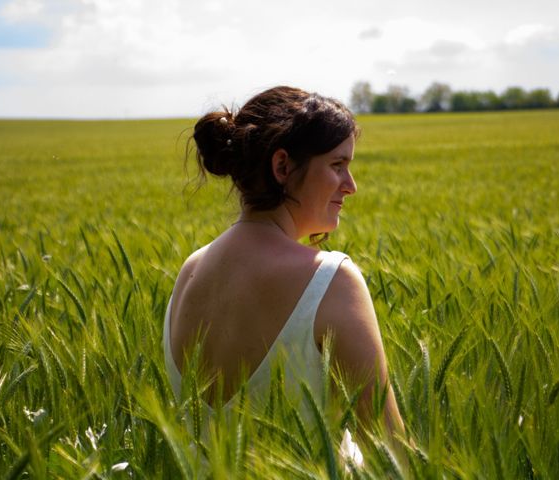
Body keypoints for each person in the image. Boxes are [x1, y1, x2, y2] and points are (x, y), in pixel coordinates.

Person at [163, 86, 404, 440]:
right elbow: (390, 451)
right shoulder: (330, 281)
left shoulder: (191, 270)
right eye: (337, 165)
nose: (350, 185)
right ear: (282, 166)